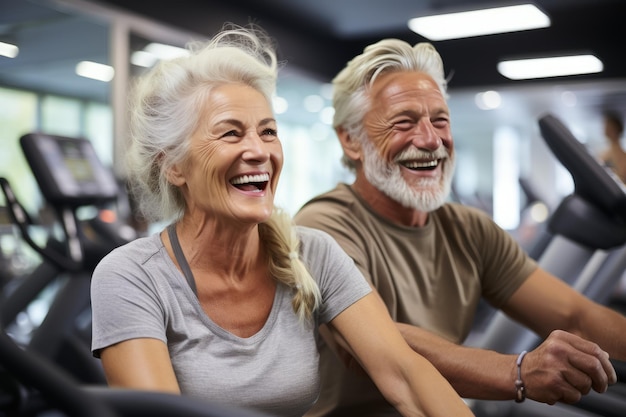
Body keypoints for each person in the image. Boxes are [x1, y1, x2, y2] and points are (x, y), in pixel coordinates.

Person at [89, 24, 475, 417]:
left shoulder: (313, 254)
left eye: (268, 131)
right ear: (173, 166)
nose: (258, 150)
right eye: (231, 134)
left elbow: (405, 375)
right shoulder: (131, 276)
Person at [294, 38, 626, 417]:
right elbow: (379, 343)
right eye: (404, 122)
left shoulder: (468, 229)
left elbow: (575, 316)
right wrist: (517, 371)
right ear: (351, 140)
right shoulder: (322, 228)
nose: (431, 140)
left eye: (440, 120)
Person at [599, 110, 626, 183]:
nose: (605, 129)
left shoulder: (622, 156)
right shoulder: (603, 155)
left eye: (609, 126)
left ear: (616, 129)